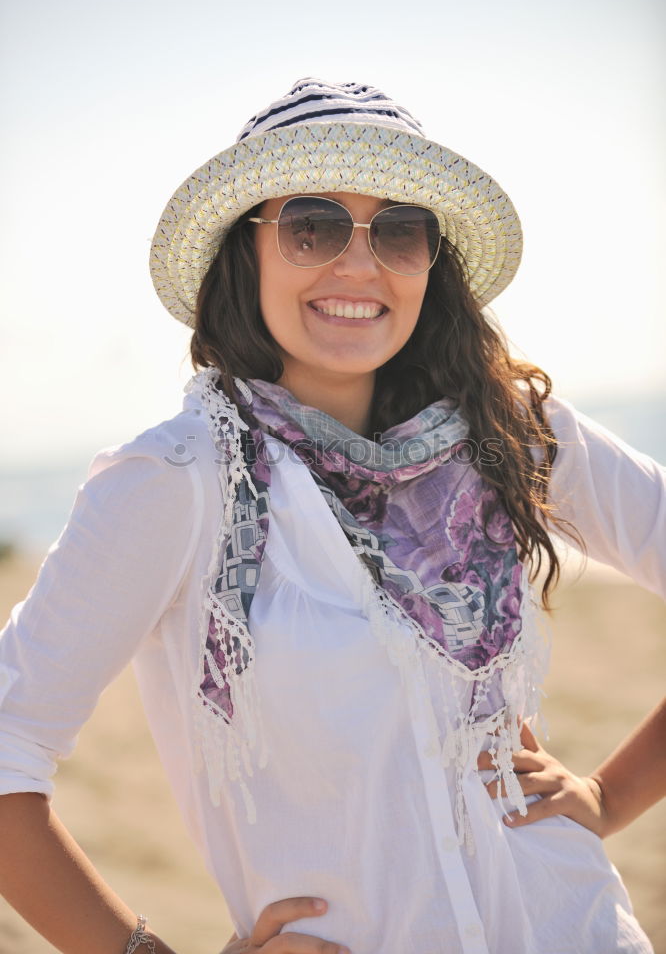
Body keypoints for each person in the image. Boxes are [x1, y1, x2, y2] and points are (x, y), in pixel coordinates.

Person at [0, 77, 664, 954]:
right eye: (312, 226)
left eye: (399, 230)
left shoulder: (516, 433)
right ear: (248, 252)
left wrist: (612, 798)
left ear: (433, 259)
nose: (360, 265)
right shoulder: (175, 479)